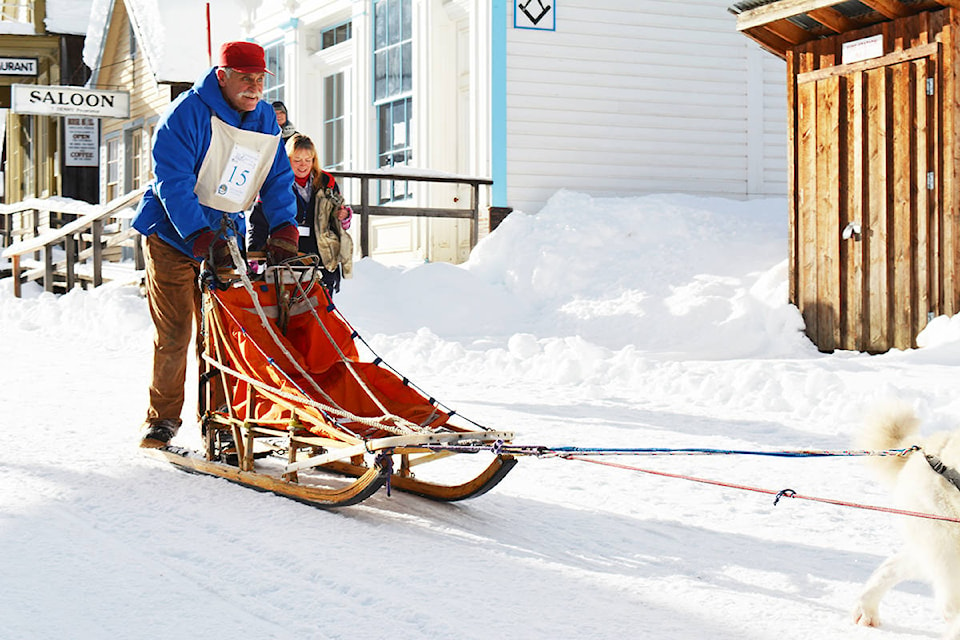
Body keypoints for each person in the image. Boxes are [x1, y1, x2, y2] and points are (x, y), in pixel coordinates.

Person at [135, 41, 301, 449]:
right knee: (176, 333)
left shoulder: (263, 118)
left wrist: (283, 226)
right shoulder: (185, 114)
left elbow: (276, 175)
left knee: (225, 335)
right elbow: (172, 182)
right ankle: (162, 421)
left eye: (261, 79)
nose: (255, 86)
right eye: (246, 78)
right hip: (173, 236)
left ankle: (222, 421)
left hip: (224, 234)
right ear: (222, 75)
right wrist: (198, 235)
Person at [249, 133, 354, 295]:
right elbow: (259, 222)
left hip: (321, 256)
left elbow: (339, 223)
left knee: (321, 306)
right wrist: (255, 250)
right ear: (287, 159)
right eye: (297, 160)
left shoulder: (327, 183)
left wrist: (344, 216)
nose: (303, 165)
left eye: (308, 160)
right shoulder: (274, 184)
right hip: (285, 252)